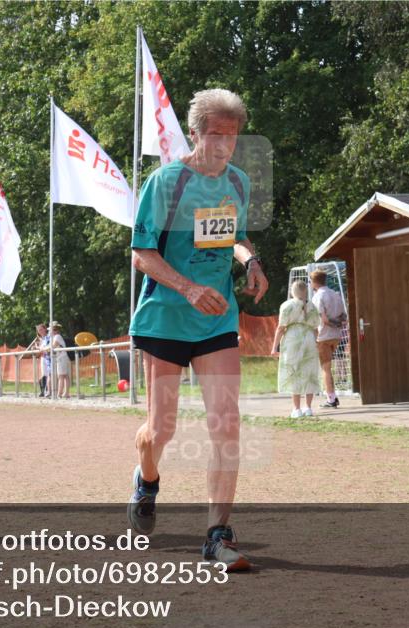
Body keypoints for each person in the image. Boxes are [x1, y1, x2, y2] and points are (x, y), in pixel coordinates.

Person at [127, 89, 268, 571]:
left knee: (227, 423)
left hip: (216, 319)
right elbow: (141, 253)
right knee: (161, 429)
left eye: (232, 136)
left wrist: (251, 262)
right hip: (166, 317)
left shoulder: (238, 182)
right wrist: (187, 288)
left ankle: (216, 534)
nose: (224, 144)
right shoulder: (166, 182)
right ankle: (147, 479)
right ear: (194, 133)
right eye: (215, 134)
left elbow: (236, 236)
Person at [271, 280, 321, 417]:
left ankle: (296, 409)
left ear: (292, 291)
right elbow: (316, 328)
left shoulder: (287, 305)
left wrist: (274, 347)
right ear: (306, 291)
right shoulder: (312, 306)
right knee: (310, 372)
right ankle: (308, 408)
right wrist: (316, 342)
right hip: (309, 338)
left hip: (292, 339)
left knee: (294, 371)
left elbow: (281, 328)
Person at [310, 270, 343, 408]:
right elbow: (343, 317)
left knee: (326, 369)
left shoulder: (318, 297)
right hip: (336, 336)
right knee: (329, 368)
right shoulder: (335, 294)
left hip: (323, 336)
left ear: (314, 282)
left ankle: (331, 399)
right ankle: (333, 396)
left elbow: (323, 320)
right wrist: (337, 325)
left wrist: (330, 324)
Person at [26, 323, 50, 397]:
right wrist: (36, 348)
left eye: (41, 329)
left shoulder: (48, 337)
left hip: (48, 358)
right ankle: (43, 391)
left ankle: (47, 390)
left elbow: (44, 348)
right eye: (38, 330)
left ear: (45, 329)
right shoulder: (42, 339)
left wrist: (37, 347)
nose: (40, 331)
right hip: (43, 358)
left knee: (48, 374)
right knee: (44, 374)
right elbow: (41, 349)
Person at [48, 321, 70, 399]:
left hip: (62, 358)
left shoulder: (57, 336)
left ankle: (59, 394)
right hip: (61, 358)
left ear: (54, 330)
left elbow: (52, 346)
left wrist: (43, 349)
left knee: (61, 376)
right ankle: (65, 393)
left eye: (50, 330)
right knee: (65, 376)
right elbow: (50, 346)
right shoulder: (55, 337)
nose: (49, 332)